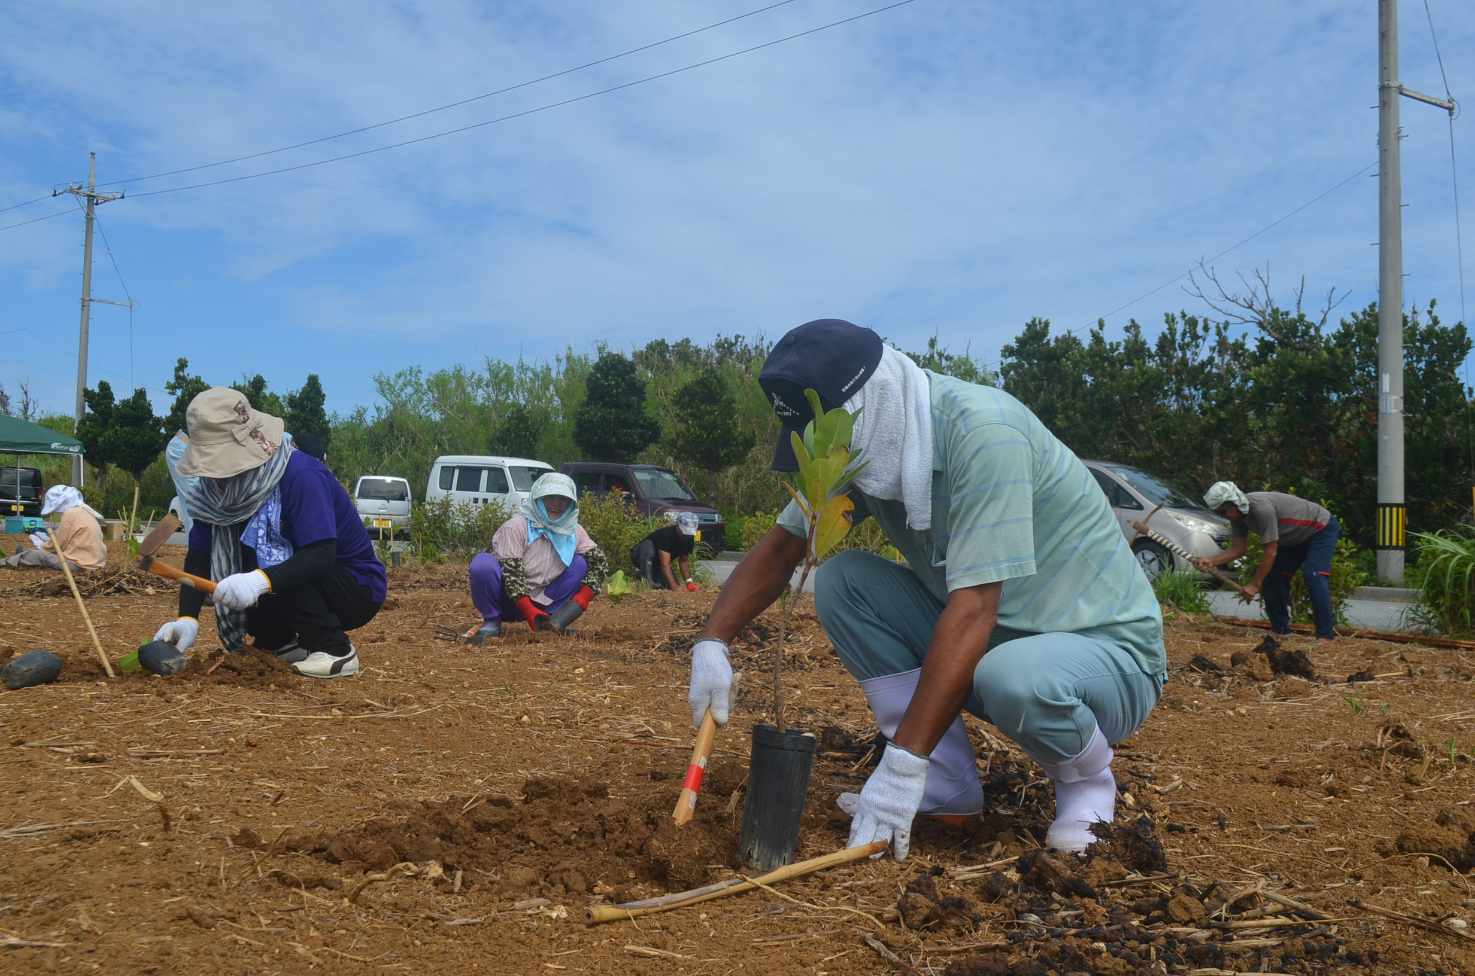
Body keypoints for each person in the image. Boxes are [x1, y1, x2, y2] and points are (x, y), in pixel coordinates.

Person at [685, 319, 1166, 858]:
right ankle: (946, 783)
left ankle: (1086, 782)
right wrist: (713, 643)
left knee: (1014, 676)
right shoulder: (863, 450)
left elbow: (976, 609)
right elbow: (781, 548)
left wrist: (900, 765)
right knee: (845, 582)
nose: (831, 452)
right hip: (990, 649)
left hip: (1103, 657)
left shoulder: (985, 434)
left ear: (874, 401)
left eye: (835, 432)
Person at [149, 387, 385, 679]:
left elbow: (322, 554)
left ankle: (336, 650)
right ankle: (279, 642)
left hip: (354, 588)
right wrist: (186, 619)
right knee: (236, 563)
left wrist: (258, 581)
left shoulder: (301, 474)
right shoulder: (211, 494)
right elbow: (200, 557)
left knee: (267, 557)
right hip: (299, 581)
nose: (215, 474)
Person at [463, 472, 609, 642]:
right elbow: (513, 575)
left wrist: (582, 599)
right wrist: (529, 610)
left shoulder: (575, 531)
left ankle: (552, 621)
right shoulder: (515, 527)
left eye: (562, 498)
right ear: (537, 499)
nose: (556, 503)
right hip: (507, 601)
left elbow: (599, 563)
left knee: (580, 563)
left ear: (570, 504)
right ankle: (492, 620)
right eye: (550, 497)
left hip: (544, 601)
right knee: (483, 563)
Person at [1195, 482, 1339, 644]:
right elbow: (1238, 547)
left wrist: (1254, 585)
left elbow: (1271, 551)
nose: (1221, 516)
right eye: (1217, 512)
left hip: (1320, 529)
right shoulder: (1238, 517)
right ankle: (1280, 631)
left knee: (1313, 576)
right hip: (1294, 538)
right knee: (1273, 577)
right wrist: (1212, 561)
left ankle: (1326, 636)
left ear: (1236, 503)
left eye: (1222, 511)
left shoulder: (1262, 510)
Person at [0, 485, 106, 572]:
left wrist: (41, 545)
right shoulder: (84, 512)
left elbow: (57, 544)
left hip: (78, 565)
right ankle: (21, 557)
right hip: (95, 563)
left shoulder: (70, 514)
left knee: (35, 554)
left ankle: (8, 561)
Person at [631, 513, 701, 591]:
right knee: (648, 544)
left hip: (656, 565)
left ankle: (639, 576)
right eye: (685, 532)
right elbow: (664, 564)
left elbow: (684, 562)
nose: (687, 536)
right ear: (677, 526)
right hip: (639, 555)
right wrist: (674, 586)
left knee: (672, 584)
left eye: (690, 533)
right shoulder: (667, 535)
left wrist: (689, 583)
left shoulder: (689, 539)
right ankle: (646, 580)